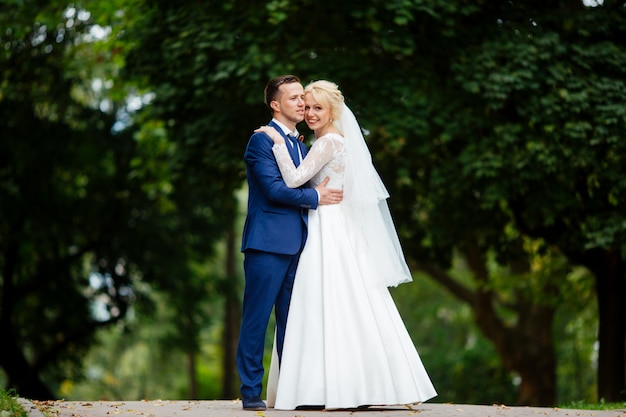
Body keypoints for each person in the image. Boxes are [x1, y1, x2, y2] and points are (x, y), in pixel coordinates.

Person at [257, 80, 437, 410]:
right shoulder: (325, 140)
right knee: (343, 301)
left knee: (328, 300)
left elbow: (295, 179)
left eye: (317, 108)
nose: (310, 113)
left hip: (329, 225)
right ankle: (349, 385)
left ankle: (329, 387)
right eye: (307, 106)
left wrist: (275, 142)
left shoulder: (328, 142)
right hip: (332, 222)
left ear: (333, 111)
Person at [237, 75, 344, 411]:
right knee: (257, 319)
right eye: (295, 98)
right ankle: (251, 391)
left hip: (301, 245)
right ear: (275, 104)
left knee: (294, 322)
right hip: (267, 243)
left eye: (304, 98)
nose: (302, 103)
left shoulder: (301, 143)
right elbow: (274, 190)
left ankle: (294, 391)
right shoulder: (260, 142)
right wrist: (315, 196)